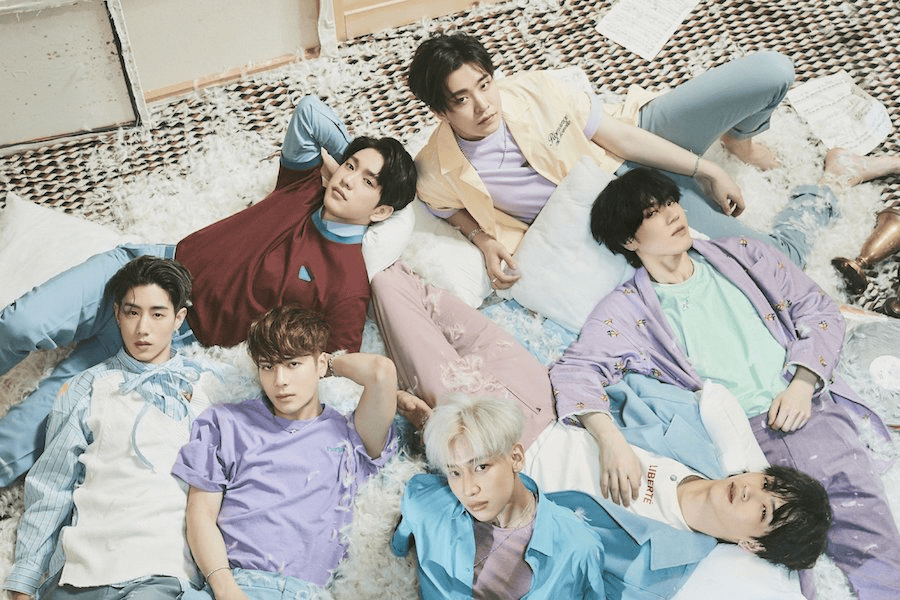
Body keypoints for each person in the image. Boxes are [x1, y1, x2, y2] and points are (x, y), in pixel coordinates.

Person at [0, 96, 417, 487]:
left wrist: (390, 397)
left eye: (367, 182)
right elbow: (308, 113)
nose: (347, 180)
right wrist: (353, 161)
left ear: (382, 211)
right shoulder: (304, 187)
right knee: (20, 324)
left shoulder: (348, 284)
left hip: (165, 335)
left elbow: (337, 368)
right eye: (349, 166)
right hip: (147, 267)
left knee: (31, 429)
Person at [549, 160, 900, 599]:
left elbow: (818, 307)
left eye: (671, 203)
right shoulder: (626, 310)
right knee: (784, 569)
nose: (674, 215)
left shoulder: (743, 254)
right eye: (654, 213)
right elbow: (575, 369)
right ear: (628, 240)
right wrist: (609, 440)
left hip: (805, 409)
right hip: (734, 447)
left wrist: (803, 382)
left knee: (868, 532)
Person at [406, 33, 815, 291]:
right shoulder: (436, 168)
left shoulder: (531, 89)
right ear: (440, 112)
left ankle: (738, 140)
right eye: (462, 100)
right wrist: (484, 239)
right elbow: (441, 207)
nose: (483, 105)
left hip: (632, 139)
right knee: (781, 263)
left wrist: (708, 168)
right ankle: (826, 185)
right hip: (631, 206)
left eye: (484, 84)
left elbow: (617, 137)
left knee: (772, 71)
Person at [393, 394, 831, 600]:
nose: (751, 490)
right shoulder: (692, 443)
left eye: (764, 510)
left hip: (509, 492)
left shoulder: (667, 569)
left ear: (753, 545)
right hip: (530, 419)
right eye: (767, 484)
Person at [4, 256, 219, 600]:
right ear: (117, 314)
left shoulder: (207, 391)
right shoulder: (87, 386)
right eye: (133, 312)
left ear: (179, 318)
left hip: (161, 574)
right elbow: (52, 486)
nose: (143, 328)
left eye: (157, 314)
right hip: (79, 575)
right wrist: (24, 580)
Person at [171, 305, 398, 597]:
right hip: (235, 585)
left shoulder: (350, 434)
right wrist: (226, 589)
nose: (280, 381)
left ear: (319, 364)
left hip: (307, 593)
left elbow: (381, 372)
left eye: (292, 364)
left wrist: (328, 365)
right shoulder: (226, 422)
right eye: (268, 366)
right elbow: (200, 515)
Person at [392, 394, 606, 599]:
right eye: (455, 472)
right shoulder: (423, 503)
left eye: (481, 467)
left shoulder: (577, 548)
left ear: (516, 458)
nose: (468, 489)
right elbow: (397, 550)